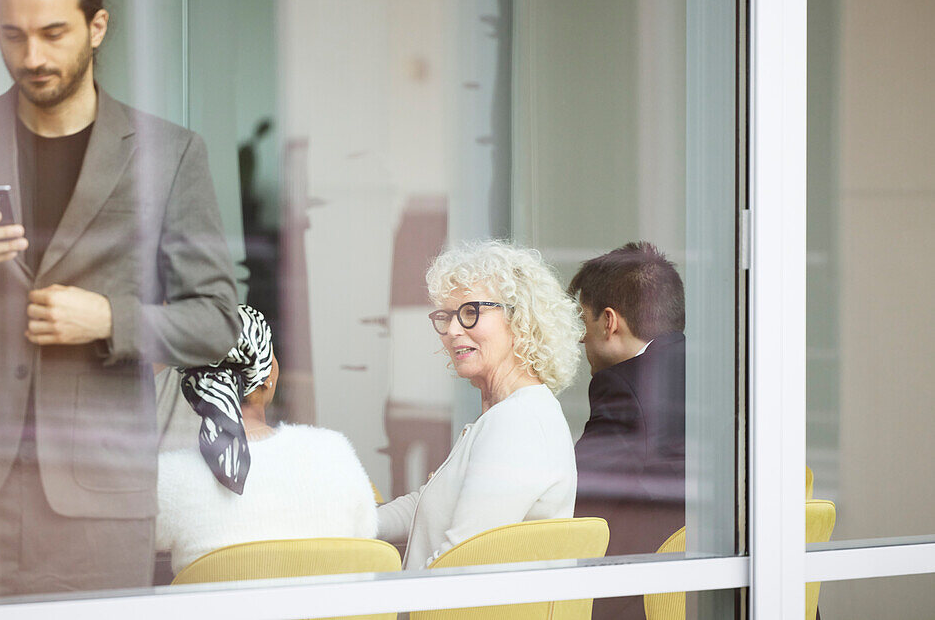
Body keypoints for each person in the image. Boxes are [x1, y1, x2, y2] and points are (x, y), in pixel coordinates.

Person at [0, 0, 240, 595]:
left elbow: (217, 321)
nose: (32, 57)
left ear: (97, 26)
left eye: (53, 33)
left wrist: (110, 318)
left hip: (99, 508)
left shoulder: (169, 155)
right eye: (13, 35)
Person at [376, 240, 582, 569]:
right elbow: (430, 505)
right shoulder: (509, 413)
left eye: (471, 312)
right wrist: (356, 523)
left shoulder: (518, 423)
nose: (452, 330)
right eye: (446, 316)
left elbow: (459, 561)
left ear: (520, 320)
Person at [156, 305, 378, 577]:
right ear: (268, 376)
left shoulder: (168, 477)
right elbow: (367, 537)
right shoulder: (335, 454)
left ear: (196, 385)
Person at [568, 241, 686, 620]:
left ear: (608, 321)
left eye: (582, 322)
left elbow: (576, 498)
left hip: (659, 599)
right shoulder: (726, 369)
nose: (580, 338)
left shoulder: (628, 384)